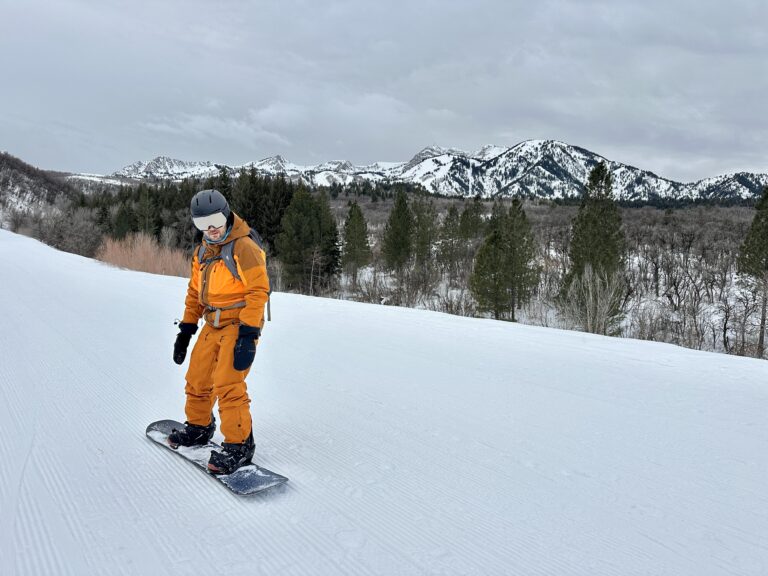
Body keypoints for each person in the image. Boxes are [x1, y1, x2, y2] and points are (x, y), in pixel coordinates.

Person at [169, 189, 270, 474]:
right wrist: (186, 330)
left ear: (226, 214)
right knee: (198, 378)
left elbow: (258, 290)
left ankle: (240, 445)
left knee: (228, 383)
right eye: (202, 224)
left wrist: (249, 335)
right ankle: (200, 427)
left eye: (215, 220)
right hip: (212, 323)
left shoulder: (244, 247)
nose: (210, 229)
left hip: (240, 323)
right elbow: (194, 292)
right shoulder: (201, 251)